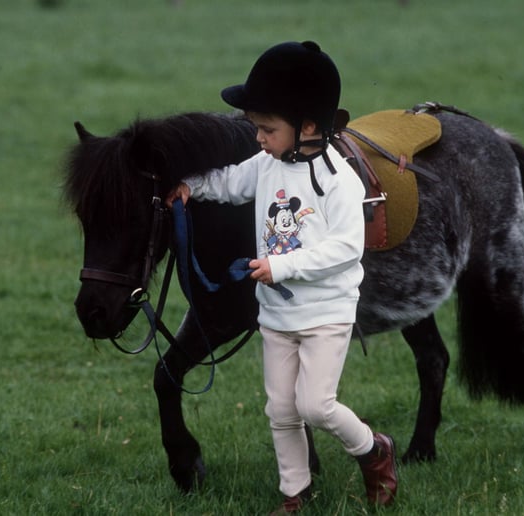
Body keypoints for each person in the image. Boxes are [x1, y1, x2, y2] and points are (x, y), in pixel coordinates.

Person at [166, 41, 397, 513]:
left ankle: (374, 451)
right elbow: (231, 182)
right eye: (256, 128)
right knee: (281, 411)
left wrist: (280, 266)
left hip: (325, 314)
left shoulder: (339, 181)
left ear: (308, 127)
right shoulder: (268, 164)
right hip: (276, 314)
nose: (259, 138)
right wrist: (193, 185)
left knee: (315, 406)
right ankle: (296, 492)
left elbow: (346, 249)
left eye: (267, 129)